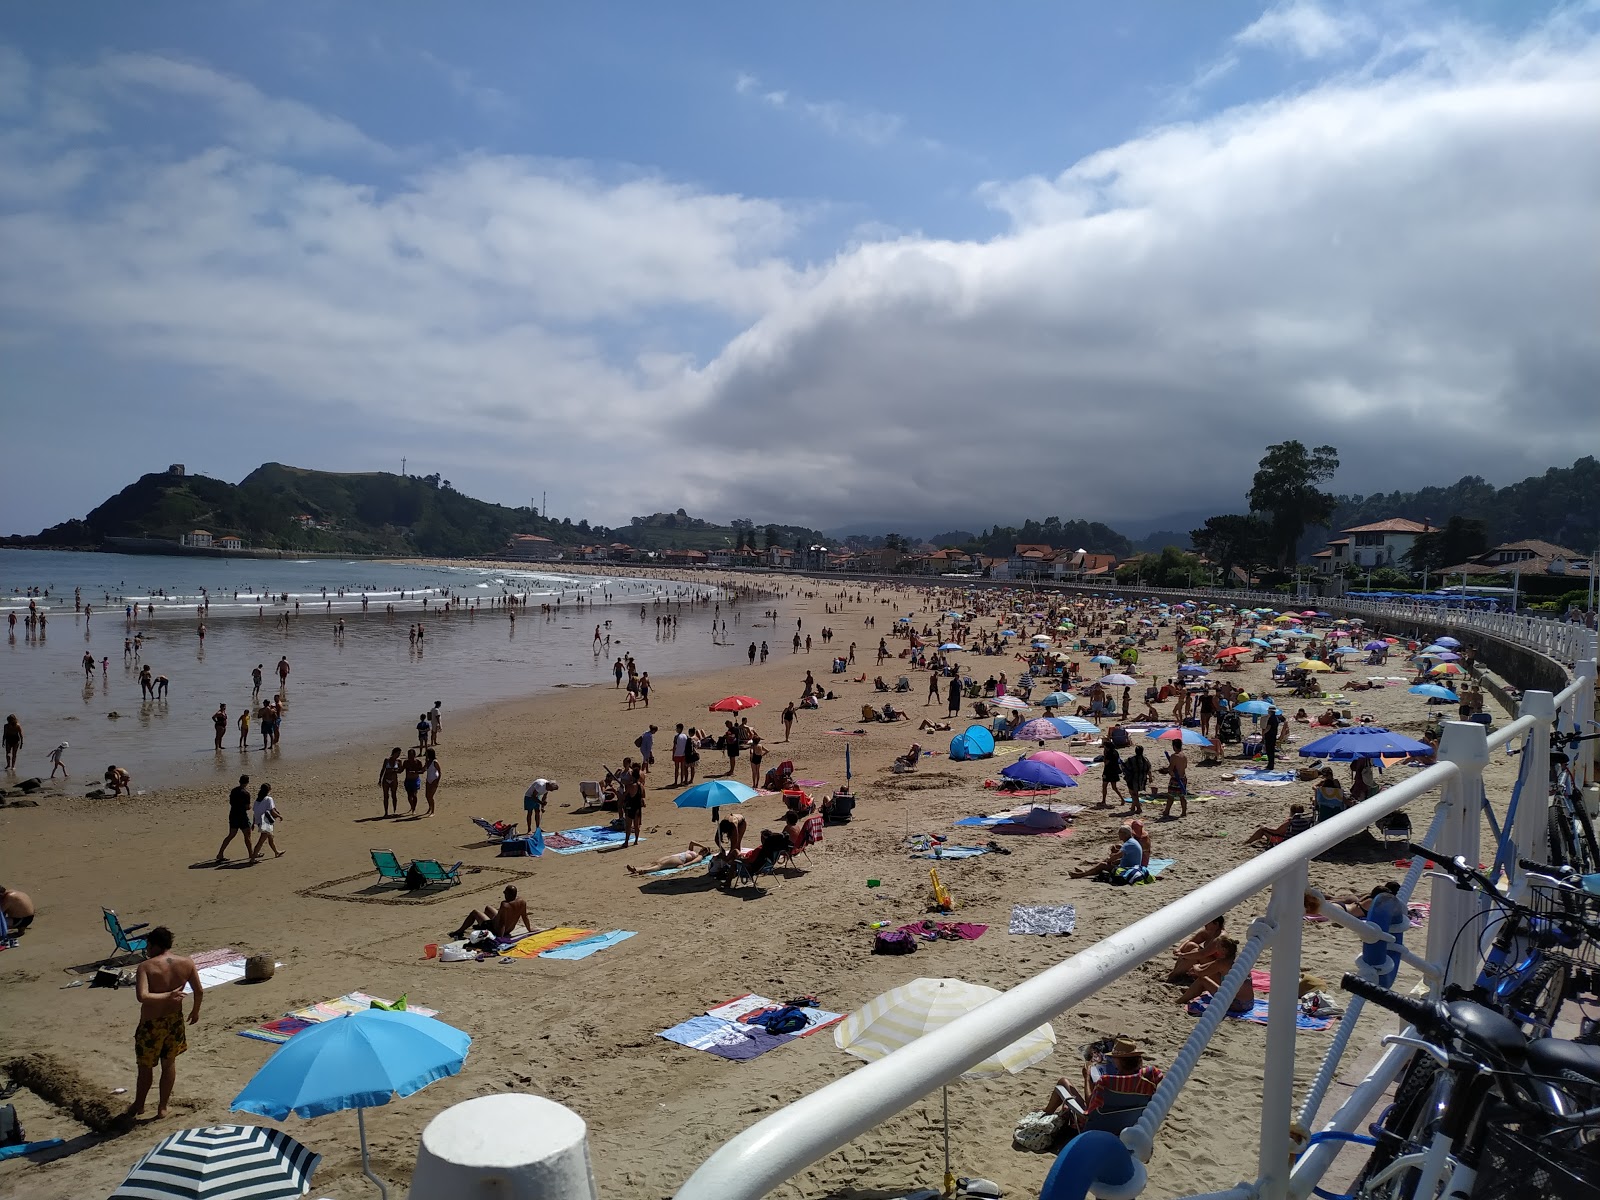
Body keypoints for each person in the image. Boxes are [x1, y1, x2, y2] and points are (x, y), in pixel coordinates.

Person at [132, 926, 201, 1120]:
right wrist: (195, 1011)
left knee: (145, 1067)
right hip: (175, 1021)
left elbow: (143, 996)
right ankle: (163, 1107)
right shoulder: (186, 962)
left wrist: (166, 996)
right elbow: (199, 991)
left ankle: (139, 1104)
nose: (146, 950)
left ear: (155, 945)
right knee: (168, 1064)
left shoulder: (146, 967)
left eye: (148, 945)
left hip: (151, 1023)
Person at [1040, 1037, 1164, 1136]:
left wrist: (1087, 1078)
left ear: (1119, 1061)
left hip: (1095, 1127)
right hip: (1126, 1125)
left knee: (1063, 1082)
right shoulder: (1150, 1076)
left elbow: (1089, 1107)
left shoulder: (1107, 1081)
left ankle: (1046, 1113)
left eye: (1114, 1058)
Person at [1175, 936, 1253, 1013]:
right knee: (1210, 976)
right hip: (1249, 1003)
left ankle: (1179, 1001)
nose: (1216, 948)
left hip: (1237, 1004)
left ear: (1223, 949)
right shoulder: (1237, 960)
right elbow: (1209, 965)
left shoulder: (1222, 963)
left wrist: (1195, 967)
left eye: (1217, 946)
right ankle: (1190, 992)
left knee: (1202, 979)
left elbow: (1200, 973)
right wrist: (1199, 967)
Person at [451, 884, 532, 940]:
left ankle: (459, 931)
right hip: (510, 929)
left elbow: (502, 923)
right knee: (488, 908)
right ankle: (480, 924)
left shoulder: (505, 905)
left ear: (509, 895)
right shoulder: (522, 902)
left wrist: (500, 938)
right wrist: (529, 929)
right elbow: (525, 917)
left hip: (494, 929)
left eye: (505, 893)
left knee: (474, 912)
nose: (504, 895)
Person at [1070, 824, 1143, 880]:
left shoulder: (1129, 844)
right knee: (1107, 862)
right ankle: (1086, 871)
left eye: (1119, 833)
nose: (1118, 835)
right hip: (1130, 867)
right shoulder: (1132, 842)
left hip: (1127, 870)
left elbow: (1116, 856)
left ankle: (1081, 874)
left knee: (1102, 865)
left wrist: (1109, 860)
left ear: (1124, 834)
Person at [1167, 915, 1224, 982]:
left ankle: (1173, 975)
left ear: (1216, 924)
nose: (1205, 924)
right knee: (1190, 945)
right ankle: (1177, 972)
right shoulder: (1208, 932)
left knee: (1195, 953)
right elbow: (1190, 941)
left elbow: (1202, 954)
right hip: (1208, 962)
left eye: (1208, 922)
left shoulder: (1220, 937)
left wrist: (1183, 955)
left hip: (1218, 970)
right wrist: (1179, 949)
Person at [216, 774, 255, 862]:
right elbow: (247, 807)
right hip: (242, 816)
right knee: (247, 835)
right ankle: (251, 854)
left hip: (233, 814)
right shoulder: (246, 793)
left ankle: (220, 853)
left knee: (231, 835)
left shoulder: (234, 791)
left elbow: (231, 802)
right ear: (247, 782)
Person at [1245, 803, 1314, 847]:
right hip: (1299, 840)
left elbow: (1277, 831)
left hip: (1285, 842)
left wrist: (1265, 827)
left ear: (1291, 812)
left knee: (1262, 830)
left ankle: (1247, 843)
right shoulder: (1306, 819)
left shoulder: (1291, 822)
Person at [626, 841, 711, 876]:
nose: (702, 850)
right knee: (655, 862)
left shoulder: (699, 856)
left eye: (705, 851)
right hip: (675, 856)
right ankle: (636, 868)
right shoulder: (693, 851)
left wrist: (684, 865)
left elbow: (695, 861)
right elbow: (692, 842)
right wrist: (703, 846)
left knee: (660, 865)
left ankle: (643, 871)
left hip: (680, 860)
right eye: (703, 849)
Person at [251, 783, 284, 858]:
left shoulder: (257, 800)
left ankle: (276, 852)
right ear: (269, 790)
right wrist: (279, 816)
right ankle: (253, 858)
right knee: (261, 841)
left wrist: (253, 823)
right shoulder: (269, 799)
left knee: (270, 837)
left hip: (259, 821)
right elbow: (272, 811)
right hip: (266, 822)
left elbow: (255, 812)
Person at [1160, 746, 1189, 820]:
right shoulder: (1184, 756)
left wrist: (1164, 770)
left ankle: (1166, 811)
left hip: (1176, 779)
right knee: (1182, 796)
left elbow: (1171, 768)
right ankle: (1184, 812)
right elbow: (1185, 766)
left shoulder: (1174, 756)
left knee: (1170, 796)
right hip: (1183, 778)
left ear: (1174, 746)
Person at [1124, 746, 1151, 816]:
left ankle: (1138, 808)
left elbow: (1124, 767)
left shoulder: (1131, 759)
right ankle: (1133, 807)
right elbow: (1149, 769)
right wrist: (1150, 777)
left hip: (1133, 779)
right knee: (1135, 793)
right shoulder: (1145, 759)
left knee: (1133, 793)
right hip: (1142, 779)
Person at [620, 768, 644, 847]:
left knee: (628, 825)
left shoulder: (630, 786)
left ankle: (626, 842)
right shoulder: (641, 786)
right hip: (637, 807)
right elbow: (643, 795)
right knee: (636, 825)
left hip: (630, 806)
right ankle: (636, 841)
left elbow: (624, 796)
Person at [1098, 741, 1125, 808]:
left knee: (1104, 786)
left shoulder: (1109, 753)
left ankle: (1104, 800)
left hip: (1108, 771)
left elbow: (1106, 762)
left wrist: (1104, 756)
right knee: (1114, 787)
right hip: (1114, 771)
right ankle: (1122, 799)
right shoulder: (1115, 752)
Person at [379, 747, 402, 817]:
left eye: (399, 754)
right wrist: (380, 779)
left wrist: (395, 770)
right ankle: (386, 812)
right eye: (397, 753)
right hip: (386, 780)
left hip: (394, 780)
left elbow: (400, 771)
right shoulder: (387, 760)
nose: (398, 755)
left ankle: (394, 811)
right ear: (394, 753)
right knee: (386, 796)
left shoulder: (399, 761)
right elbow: (383, 770)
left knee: (394, 796)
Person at [401, 749, 424, 814]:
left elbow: (422, 771)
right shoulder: (406, 762)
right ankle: (412, 806)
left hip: (415, 780)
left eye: (411, 756)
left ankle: (414, 809)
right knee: (409, 795)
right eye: (409, 756)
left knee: (414, 795)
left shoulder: (418, 762)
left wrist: (415, 772)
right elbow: (401, 770)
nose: (410, 757)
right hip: (408, 780)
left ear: (414, 755)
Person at [423, 748, 442, 816]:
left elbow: (439, 771)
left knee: (430, 796)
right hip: (428, 779)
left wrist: (437, 781)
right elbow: (423, 769)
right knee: (427, 796)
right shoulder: (427, 761)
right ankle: (429, 807)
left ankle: (432, 811)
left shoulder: (435, 762)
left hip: (434, 779)